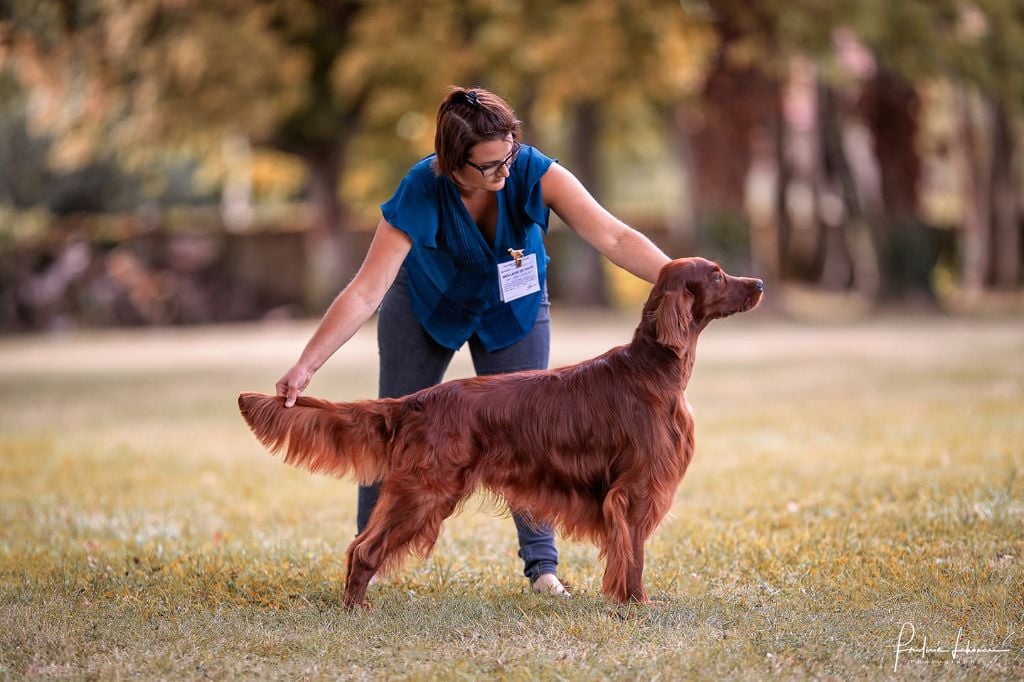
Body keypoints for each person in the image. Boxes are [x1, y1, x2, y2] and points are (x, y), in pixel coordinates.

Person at [275, 86, 670, 596]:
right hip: (427, 306)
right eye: (488, 166)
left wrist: (683, 280)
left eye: (508, 156)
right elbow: (366, 290)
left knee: (533, 431)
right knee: (396, 430)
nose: (504, 172)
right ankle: (369, 560)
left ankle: (543, 569)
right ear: (451, 162)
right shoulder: (421, 188)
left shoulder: (534, 171)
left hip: (512, 309)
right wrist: (307, 364)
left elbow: (614, 237)